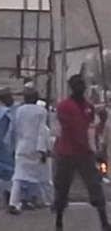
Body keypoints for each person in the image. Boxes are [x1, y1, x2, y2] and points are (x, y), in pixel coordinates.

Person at [53, 75, 111, 231]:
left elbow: (91, 129)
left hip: (84, 153)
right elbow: (72, 129)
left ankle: (104, 222)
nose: (80, 88)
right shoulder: (64, 106)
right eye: (77, 85)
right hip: (67, 153)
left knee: (95, 186)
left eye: (82, 84)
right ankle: (59, 221)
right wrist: (89, 145)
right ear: (72, 87)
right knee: (62, 188)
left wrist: (103, 120)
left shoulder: (89, 107)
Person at [7, 86, 48, 215]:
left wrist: (13, 146)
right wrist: (42, 149)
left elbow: (15, 130)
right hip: (35, 146)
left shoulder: (19, 111)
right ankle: (37, 199)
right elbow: (42, 131)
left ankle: (14, 202)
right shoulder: (41, 111)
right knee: (37, 175)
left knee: (18, 176)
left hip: (22, 146)